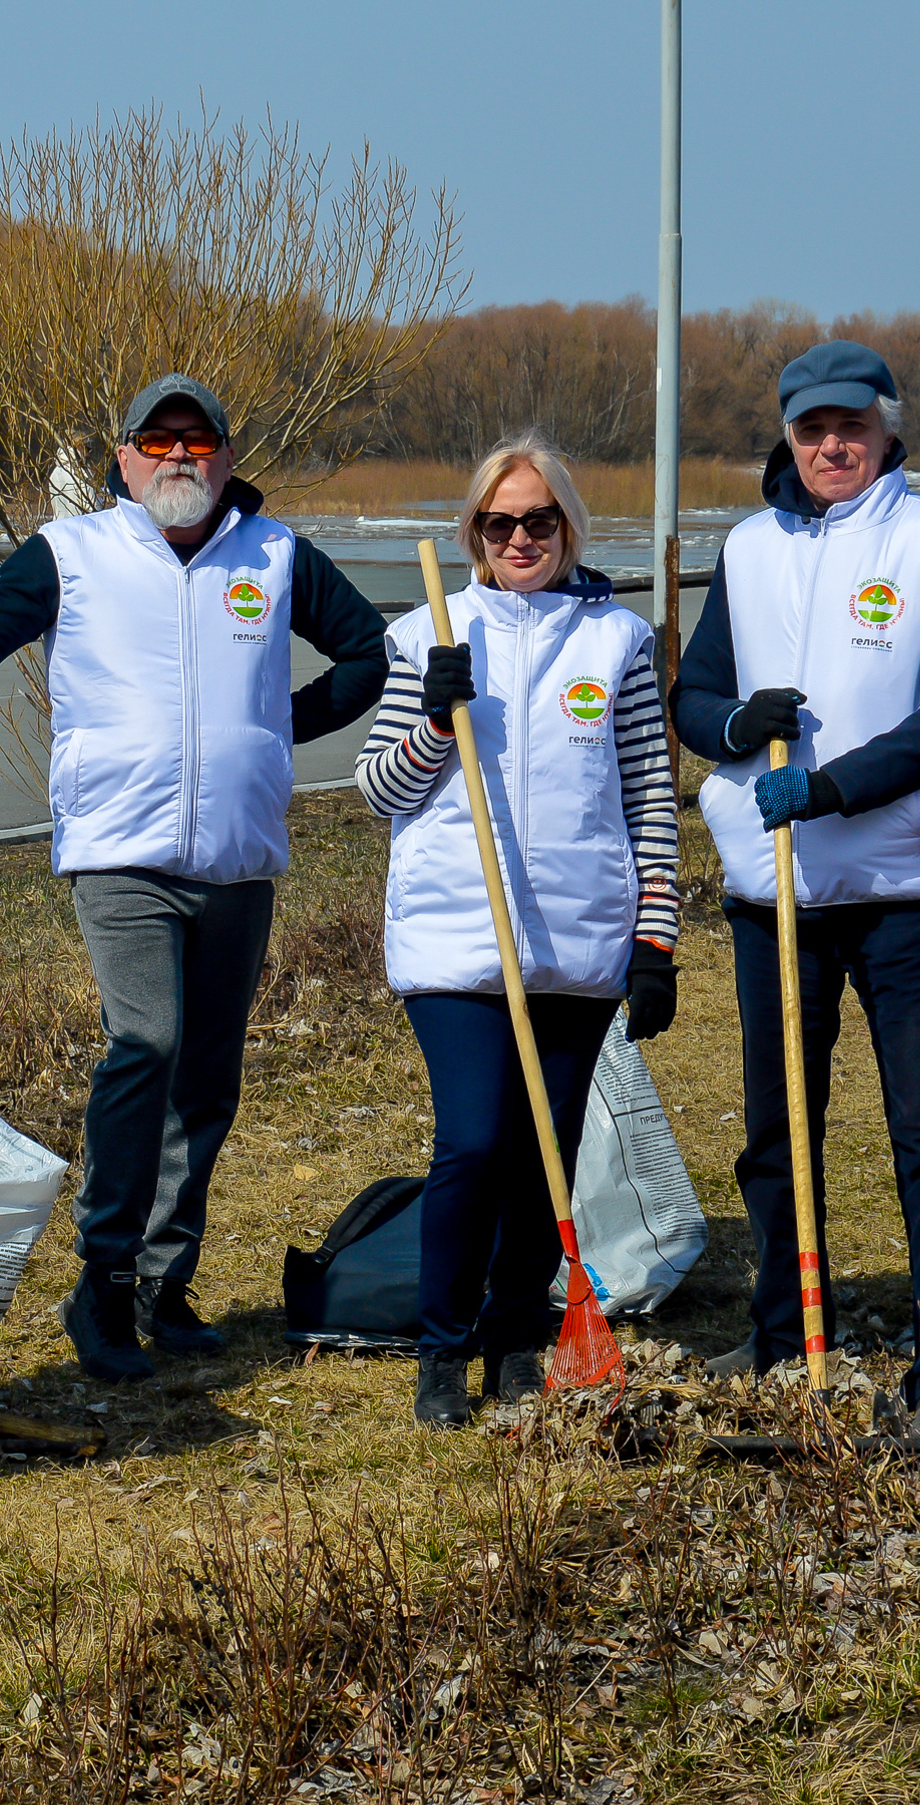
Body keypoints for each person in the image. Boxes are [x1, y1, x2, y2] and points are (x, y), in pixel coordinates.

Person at [0, 374, 390, 1381]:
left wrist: (274, 730)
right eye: (157, 440)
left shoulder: (274, 558)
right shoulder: (71, 553)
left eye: (199, 440)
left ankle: (162, 1285)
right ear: (122, 459)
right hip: (118, 851)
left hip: (237, 857)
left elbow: (367, 652)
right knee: (147, 1041)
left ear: (225, 457)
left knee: (208, 1077)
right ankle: (100, 1279)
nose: (179, 456)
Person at [666, 341, 920, 1449]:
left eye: (849, 426)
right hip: (778, 895)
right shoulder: (749, 547)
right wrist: (731, 727)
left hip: (906, 880)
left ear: (885, 427)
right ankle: (778, 1329)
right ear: (787, 435)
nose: (830, 446)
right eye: (811, 429)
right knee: (776, 1126)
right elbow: (695, 695)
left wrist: (836, 786)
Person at [356, 433, 680, 1428]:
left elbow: (649, 796)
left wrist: (657, 937)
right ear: (475, 533)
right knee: (474, 1140)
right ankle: (441, 1348)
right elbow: (376, 791)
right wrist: (429, 723)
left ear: (567, 526)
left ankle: (510, 1337)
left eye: (539, 519)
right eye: (500, 523)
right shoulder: (426, 636)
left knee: (547, 1153)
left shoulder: (615, 643)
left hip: (578, 944)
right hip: (456, 938)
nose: (520, 537)